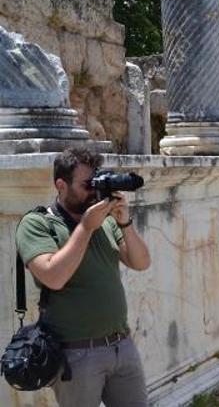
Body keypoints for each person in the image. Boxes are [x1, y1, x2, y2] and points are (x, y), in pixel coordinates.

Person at [15, 147, 151, 406]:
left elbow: (141, 262)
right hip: (75, 354)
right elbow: (53, 277)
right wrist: (86, 227)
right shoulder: (37, 223)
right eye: (86, 184)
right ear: (61, 184)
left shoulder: (107, 221)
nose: (93, 190)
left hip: (122, 346)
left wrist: (124, 222)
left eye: (96, 181)